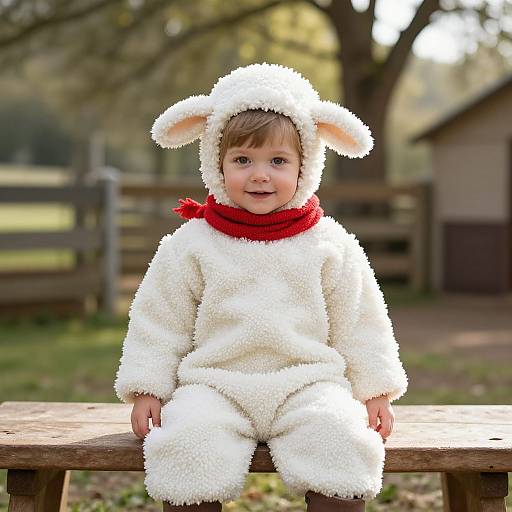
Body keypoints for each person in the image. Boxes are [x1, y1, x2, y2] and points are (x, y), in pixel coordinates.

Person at [114, 62, 408, 512]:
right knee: (186, 447)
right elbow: (159, 320)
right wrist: (146, 386)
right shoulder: (191, 245)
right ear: (216, 161)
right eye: (242, 160)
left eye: (278, 161)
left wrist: (375, 391)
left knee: (342, 442)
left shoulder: (330, 244)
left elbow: (361, 320)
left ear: (306, 164)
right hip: (215, 385)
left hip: (309, 383)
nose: (260, 175)